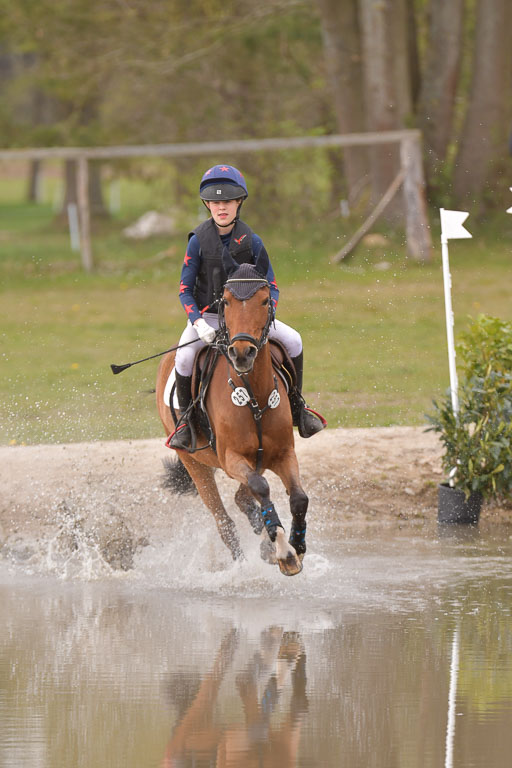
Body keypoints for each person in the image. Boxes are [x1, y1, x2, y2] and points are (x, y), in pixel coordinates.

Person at [169, 163, 325, 450]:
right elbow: (184, 290)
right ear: (207, 205)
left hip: (251, 320)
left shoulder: (252, 241)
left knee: (294, 340)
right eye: (215, 202)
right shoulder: (197, 242)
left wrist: (265, 315)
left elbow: (272, 285)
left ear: (239, 202)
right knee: (183, 359)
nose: (221, 208)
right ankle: (186, 424)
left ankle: (297, 407)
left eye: (227, 201)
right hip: (210, 320)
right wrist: (198, 323)